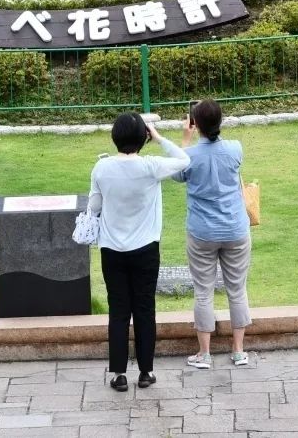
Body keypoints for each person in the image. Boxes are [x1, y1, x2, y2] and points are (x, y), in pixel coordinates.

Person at [87, 112, 190, 392]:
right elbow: (184, 159)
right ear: (143, 137)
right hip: (146, 248)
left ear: (115, 137)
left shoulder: (102, 168)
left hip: (112, 249)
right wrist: (158, 137)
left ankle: (119, 374)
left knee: (118, 311)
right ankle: (146, 372)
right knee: (145, 309)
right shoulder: (151, 166)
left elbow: (94, 205)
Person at [174, 99, 252, 369]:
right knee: (237, 289)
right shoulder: (235, 149)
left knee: (203, 292)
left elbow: (178, 172)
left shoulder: (190, 155)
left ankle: (204, 354)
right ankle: (239, 351)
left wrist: (186, 140)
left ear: (195, 124)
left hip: (202, 232)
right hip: (235, 229)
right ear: (221, 121)